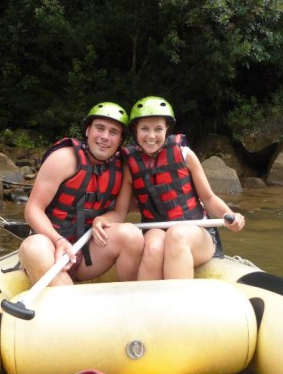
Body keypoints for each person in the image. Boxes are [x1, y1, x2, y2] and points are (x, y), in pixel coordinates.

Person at [92, 96, 245, 280]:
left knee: (176, 235)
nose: (151, 136)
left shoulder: (185, 154)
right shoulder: (130, 166)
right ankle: (146, 297)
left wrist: (231, 215)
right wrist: (101, 219)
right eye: (144, 129)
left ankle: (177, 297)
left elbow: (208, 198)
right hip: (156, 229)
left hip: (196, 232)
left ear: (167, 130)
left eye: (158, 129)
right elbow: (120, 212)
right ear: (135, 131)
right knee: (153, 246)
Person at [18, 102, 144, 286]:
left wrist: (101, 219)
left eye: (113, 132)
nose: (105, 137)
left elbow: (120, 213)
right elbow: (33, 209)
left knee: (131, 234)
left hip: (87, 252)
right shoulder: (63, 158)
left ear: (120, 141)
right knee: (33, 247)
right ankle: (67, 297)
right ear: (87, 131)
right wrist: (58, 240)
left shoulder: (121, 168)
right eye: (99, 128)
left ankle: (130, 298)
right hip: (51, 248)